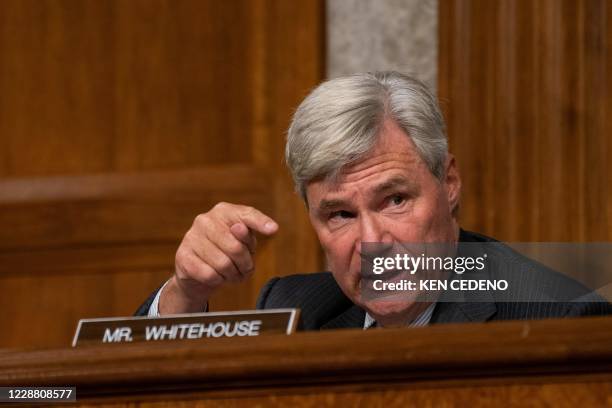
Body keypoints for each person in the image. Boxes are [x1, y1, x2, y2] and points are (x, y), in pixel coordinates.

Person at [136, 71, 610, 329]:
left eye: (395, 200)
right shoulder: (296, 310)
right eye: (340, 214)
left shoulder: (556, 315)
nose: (372, 242)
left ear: (448, 183)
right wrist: (187, 293)